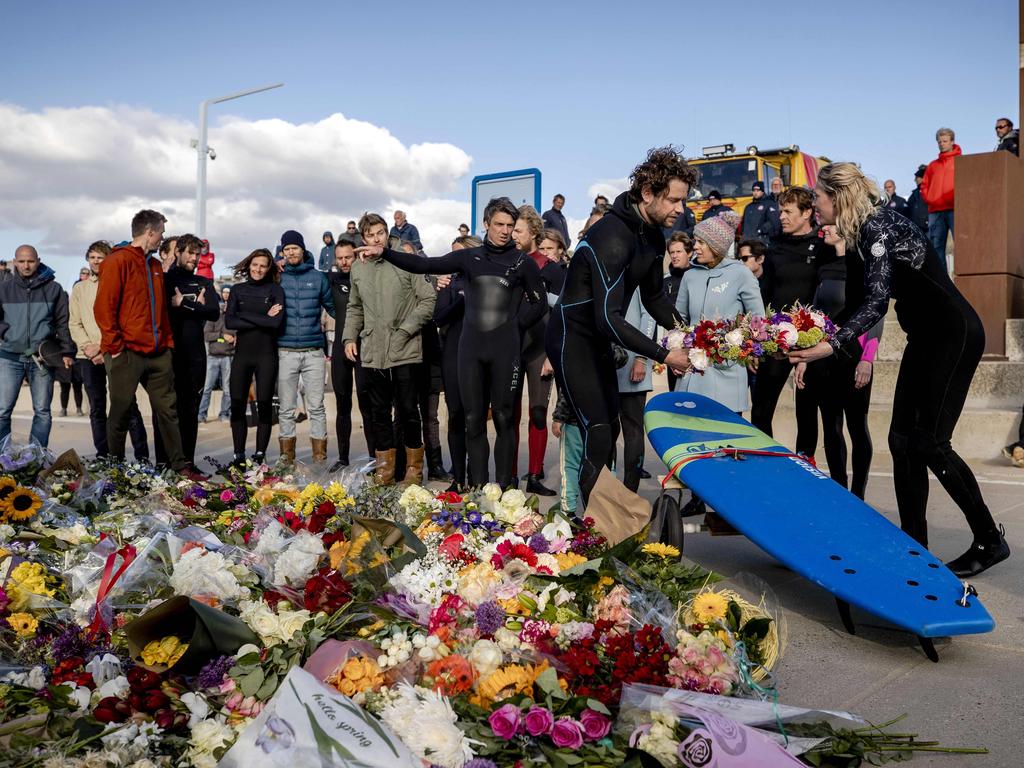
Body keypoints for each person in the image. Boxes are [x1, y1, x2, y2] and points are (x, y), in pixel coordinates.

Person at [790, 162, 1009, 577]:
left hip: (953, 334)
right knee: (901, 440)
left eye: (816, 197)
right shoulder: (856, 237)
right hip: (924, 338)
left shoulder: (880, 227)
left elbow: (875, 303)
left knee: (930, 442)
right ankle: (915, 546)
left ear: (836, 197)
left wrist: (828, 347)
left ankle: (989, 539)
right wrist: (808, 351)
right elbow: (855, 305)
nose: (813, 204)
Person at [356, 198, 545, 488]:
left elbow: (539, 303)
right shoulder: (470, 258)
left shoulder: (522, 262)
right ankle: (480, 489)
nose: (505, 231)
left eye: (510, 225)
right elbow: (425, 264)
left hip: (506, 352)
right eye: (499, 224)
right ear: (486, 224)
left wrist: (515, 327)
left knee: (505, 419)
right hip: (470, 351)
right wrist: (385, 253)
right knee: (473, 419)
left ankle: (507, 488)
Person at [547, 147, 696, 506]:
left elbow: (655, 300)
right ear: (648, 194)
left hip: (598, 338)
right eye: (675, 200)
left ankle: (603, 519)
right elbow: (608, 316)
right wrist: (664, 354)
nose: (681, 209)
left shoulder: (652, 235)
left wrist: (692, 334)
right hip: (571, 337)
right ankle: (590, 528)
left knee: (610, 427)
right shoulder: (611, 236)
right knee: (597, 430)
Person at [94, 211, 203, 479]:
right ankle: (115, 468)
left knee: (168, 410)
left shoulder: (154, 266)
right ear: (150, 232)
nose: (164, 238)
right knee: (120, 411)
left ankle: (178, 466)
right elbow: (104, 307)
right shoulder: (117, 261)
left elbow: (161, 310)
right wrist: (115, 346)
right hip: (126, 352)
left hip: (158, 353)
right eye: (162, 233)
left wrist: (166, 343)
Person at [344, 214, 434, 484]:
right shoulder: (358, 268)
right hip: (373, 349)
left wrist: (406, 330)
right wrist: (350, 337)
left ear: (387, 233)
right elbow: (354, 307)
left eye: (381, 232)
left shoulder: (403, 259)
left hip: (404, 348)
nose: (377, 238)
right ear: (363, 238)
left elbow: (428, 299)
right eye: (371, 235)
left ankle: (414, 470)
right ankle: (384, 469)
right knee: (379, 412)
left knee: (408, 410)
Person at [750, 186, 837, 438]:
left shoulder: (823, 247)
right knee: (761, 411)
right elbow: (762, 296)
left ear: (807, 212)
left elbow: (827, 298)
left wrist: (816, 342)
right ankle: (764, 462)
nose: (781, 217)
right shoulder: (774, 247)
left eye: (788, 211)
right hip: (775, 342)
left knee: (807, 414)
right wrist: (757, 340)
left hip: (809, 342)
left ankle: (803, 463)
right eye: (780, 211)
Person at [795, 257, 883, 500]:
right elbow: (812, 317)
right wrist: (805, 357)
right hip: (825, 356)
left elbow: (876, 314)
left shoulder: (863, 265)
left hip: (855, 357)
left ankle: (858, 493)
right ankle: (840, 491)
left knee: (856, 426)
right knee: (831, 426)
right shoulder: (824, 267)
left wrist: (867, 359)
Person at [674, 211, 764, 409]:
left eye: (701, 242)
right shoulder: (689, 276)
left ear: (716, 245)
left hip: (728, 374)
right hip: (692, 372)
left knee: (726, 436)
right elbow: (679, 320)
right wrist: (676, 351)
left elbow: (758, 319)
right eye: (695, 241)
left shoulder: (741, 273)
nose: (695, 246)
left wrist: (747, 350)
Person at [69, 241, 149, 459]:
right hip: (88, 356)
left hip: (115, 351)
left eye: (100, 257)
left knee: (127, 406)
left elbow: (124, 322)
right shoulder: (80, 288)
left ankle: (142, 456)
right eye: (92, 257)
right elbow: (74, 323)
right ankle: (104, 455)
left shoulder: (121, 284)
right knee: (97, 407)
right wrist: (89, 348)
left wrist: (104, 347)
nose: (96, 261)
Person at [155, 234, 219, 470]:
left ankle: (187, 463)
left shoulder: (204, 283)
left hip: (194, 356)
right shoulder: (164, 281)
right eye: (190, 253)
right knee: (165, 410)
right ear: (178, 253)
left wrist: (184, 304)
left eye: (197, 254)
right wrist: (197, 307)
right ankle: (163, 462)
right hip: (169, 354)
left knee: (190, 412)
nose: (194, 258)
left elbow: (212, 312)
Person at [0, 245, 74, 447]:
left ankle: (36, 458)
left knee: (42, 411)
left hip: (42, 358)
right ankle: (3, 459)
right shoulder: (3, 288)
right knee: (2, 410)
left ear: (38, 261)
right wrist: (6, 333)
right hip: (9, 356)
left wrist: (67, 351)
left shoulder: (54, 289)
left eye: (30, 261)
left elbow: (63, 322)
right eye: (22, 261)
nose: (26, 265)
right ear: (15, 262)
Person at [276, 230, 335, 463]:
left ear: (303, 249)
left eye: (294, 248)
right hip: (286, 351)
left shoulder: (318, 277)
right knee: (286, 409)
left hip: (313, 351)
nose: (291, 252)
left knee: (317, 407)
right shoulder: (277, 277)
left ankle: (319, 458)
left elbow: (332, 307)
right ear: (282, 252)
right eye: (286, 249)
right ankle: (286, 460)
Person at [511, 205, 557, 496]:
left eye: (517, 230)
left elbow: (561, 314)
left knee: (537, 413)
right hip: (511, 348)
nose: (511, 234)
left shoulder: (550, 268)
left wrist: (553, 354)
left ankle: (535, 475)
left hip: (541, 349)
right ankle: (510, 474)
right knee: (509, 414)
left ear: (533, 234)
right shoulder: (506, 263)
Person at [225, 249, 286, 466]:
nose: (258, 269)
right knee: (237, 404)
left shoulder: (275, 290)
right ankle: (238, 455)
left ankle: (260, 455)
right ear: (249, 265)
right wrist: (263, 316)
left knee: (265, 406)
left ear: (268, 268)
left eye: (263, 265)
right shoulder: (237, 290)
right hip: (243, 356)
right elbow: (229, 323)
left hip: (266, 355)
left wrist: (244, 316)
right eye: (255, 265)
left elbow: (275, 323)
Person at [434, 235, 482, 490]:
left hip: (479, 356)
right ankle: (458, 478)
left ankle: (476, 476)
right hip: (452, 353)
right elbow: (438, 318)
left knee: (475, 418)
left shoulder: (485, 280)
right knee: (455, 416)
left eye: (458, 253)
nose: (453, 259)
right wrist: (462, 300)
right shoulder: (448, 283)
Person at [327, 241, 373, 471]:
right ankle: (343, 457)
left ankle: (375, 457)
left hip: (364, 348)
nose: (344, 261)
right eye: (340, 258)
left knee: (367, 405)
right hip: (340, 349)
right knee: (342, 403)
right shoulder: (331, 280)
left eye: (348, 257)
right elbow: (304, 270)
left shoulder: (367, 278)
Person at [616, 292, 656, 491]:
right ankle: (607, 488)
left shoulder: (638, 271)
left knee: (632, 430)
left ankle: (630, 490)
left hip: (633, 364)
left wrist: (641, 357)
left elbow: (649, 317)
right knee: (605, 431)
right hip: (605, 364)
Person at [920, 127, 960, 267]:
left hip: (955, 209)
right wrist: (930, 199)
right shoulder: (932, 165)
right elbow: (924, 186)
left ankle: (961, 279)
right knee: (936, 247)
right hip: (935, 211)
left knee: (961, 245)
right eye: (939, 141)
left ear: (952, 141)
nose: (942, 144)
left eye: (945, 141)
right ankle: (943, 283)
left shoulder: (961, 161)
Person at [198, 287, 234, 423]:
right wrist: (222, 336)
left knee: (227, 390)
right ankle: (201, 414)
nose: (224, 307)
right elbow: (206, 335)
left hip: (228, 357)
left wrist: (233, 338)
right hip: (213, 357)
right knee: (207, 388)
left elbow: (237, 334)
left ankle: (224, 414)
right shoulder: (214, 317)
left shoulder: (234, 318)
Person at [663, 233, 693, 392]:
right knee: (675, 396)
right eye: (671, 252)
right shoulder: (665, 282)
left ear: (689, 253)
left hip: (697, 345)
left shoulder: (698, 277)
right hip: (674, 345)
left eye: (678, 252)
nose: (674, 256)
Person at [906, 165, 929, 233]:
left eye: (917, 177)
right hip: (916, 228)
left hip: (929, 227)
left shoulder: (931, 190)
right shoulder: (913, 194)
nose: (915, 180)